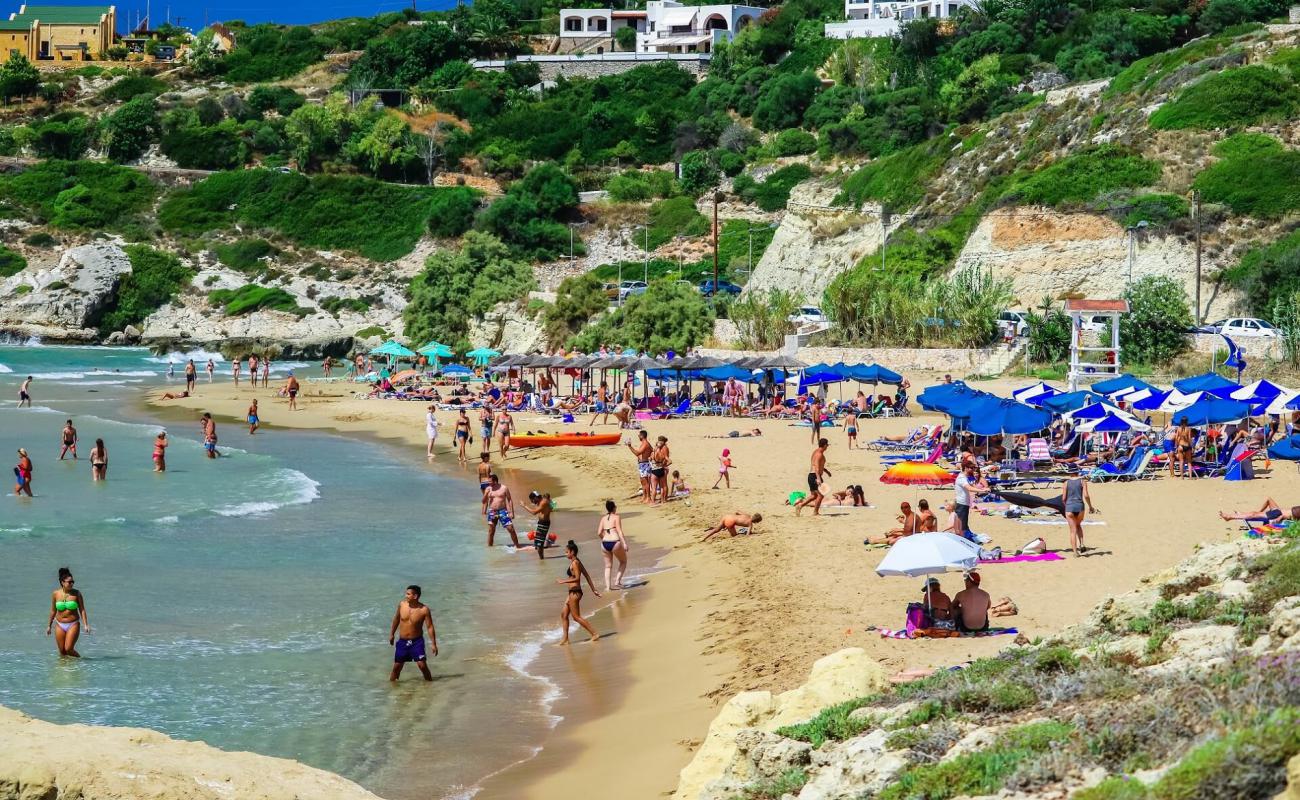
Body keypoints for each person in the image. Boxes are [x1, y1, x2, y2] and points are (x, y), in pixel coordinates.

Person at [388, 584, 437, 682]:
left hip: (416, 642)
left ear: (415, 596)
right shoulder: (402, 605)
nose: (406, 596)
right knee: (397, 667)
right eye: (406, 593)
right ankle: (392, 687)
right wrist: (391, 634)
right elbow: (396, 619)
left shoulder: (424, 610)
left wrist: (433, 644)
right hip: (402, 641)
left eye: (408, 594)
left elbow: (430, 627)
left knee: (422, 665)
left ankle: (430, 685)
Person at [558, 540, 601, 645]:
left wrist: (563, 581)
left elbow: (577, 578)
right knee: (564, 615)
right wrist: (593, 590)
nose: (565, 554)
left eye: (567, 552)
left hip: (575, 593)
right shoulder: (576, 561)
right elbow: (586, 575)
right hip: (571, 593)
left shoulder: (575, 563)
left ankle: (594, 633)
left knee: (576, 617)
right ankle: (565, 639)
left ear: (572, 552)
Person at [47, 567, 88, 657]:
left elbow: (82, 610)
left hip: (73, 624)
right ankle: (65, 669)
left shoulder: (77, 593)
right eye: (69, 582)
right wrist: (49, 626)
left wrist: (85, 624)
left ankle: (81, 662)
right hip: (59, 624)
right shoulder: (55, 594)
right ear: (62, 582)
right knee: (62, 651)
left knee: (69, 649)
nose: (71, 584)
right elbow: (53, 610)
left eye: (73, 582)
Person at [794, 439, 832, 516]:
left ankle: (800, 505)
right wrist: (818, 478)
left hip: (811, 476)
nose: (827, 446)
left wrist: (826, 471)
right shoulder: (819, 454)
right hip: (815, 476)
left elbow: (817, 465)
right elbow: (817, 468)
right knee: (820, 495)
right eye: (827, 445)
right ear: (824, 445)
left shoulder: (816, 452)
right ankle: (815, 512)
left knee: (814, 495)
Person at [1061, 473, 1096, 557]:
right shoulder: (1082, 481)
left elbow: (1063, 498)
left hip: (1070, 507)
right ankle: (1082, 544)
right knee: (1078, 525)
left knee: (1072, 531)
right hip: (1079, 506)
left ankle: (1075, 552)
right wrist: (1090, 507)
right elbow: (1086, 495)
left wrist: (1067, 506)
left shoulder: (1066, 483)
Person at [597, 500, 629, 591]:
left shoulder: (603, 518)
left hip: (604, 543)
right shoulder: (616, 517)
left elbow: (599, 532)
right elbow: (619, 531)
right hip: (615, 542)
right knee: (623, 561)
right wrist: (624, 543)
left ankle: (608, 587)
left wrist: (604, 538)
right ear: (614, 508)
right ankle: (617, 582)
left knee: (608, 566)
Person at [484, 473, 520, 548]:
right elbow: (484, 501)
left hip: (503, 511)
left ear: (495, 481)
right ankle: (490, 549)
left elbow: (509, 500)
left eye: (490, 481)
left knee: (511, 529)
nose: (488, 483)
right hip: (492, 511)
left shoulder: (504, 488)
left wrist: (511, 512)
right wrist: (484, 509)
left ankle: (518, 546)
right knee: (491, 531)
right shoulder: (488, 489)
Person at [953, 462, 986, 537]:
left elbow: (971, 486)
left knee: (963, 523)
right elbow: (969, 488)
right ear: (966, 468)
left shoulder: (964, 477)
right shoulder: (962, 478)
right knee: (961, 525)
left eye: (973, 468)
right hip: (961, 503)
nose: (973, 470)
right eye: (971, 468)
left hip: (964, 503)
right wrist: (983, 490)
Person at [523, 491, 554, 560]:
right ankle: (541, 559)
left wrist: (524, 506)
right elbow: (551, 507)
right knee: (537, 543)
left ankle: (542, 560)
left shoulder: (543, 502)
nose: (533, 502)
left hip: (544, 523)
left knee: (539, 544)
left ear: (536, 497)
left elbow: (534, 512)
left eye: (532, 500)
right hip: (541, 523)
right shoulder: (541, 501)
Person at [1220, 497, 1300, 523]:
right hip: (1278, 511)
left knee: (1253, 514)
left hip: (1278, 514)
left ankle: (1230, 517)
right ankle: (1245, 514)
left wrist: (1279, 518)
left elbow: (1290, 518)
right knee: (1269, 499)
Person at [627, 430, 652, 504]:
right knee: (642, 481)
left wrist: (630, 446)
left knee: (646, 482)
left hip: (645, 464)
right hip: (642, 464)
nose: (638, 437)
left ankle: (648, 497)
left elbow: (637, 453)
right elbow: (651, 450)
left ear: (642, 436)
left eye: (639, 435)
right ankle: (644, 496)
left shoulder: (645, 444)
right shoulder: (644, 443)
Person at [650, 435, 671, 504]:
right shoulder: (664, 448)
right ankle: (663, 500)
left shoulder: (656, 450)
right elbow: (668, 459)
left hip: (656, 469)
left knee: (655, 487)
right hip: (662, 468)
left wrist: (664, 465)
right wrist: (664, 465)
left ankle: (654, 501)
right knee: (663, 486)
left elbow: (651, 458)